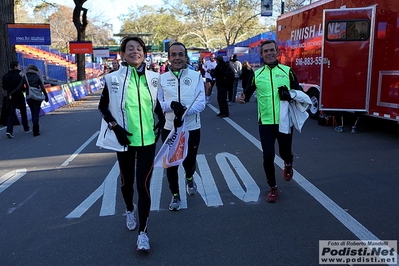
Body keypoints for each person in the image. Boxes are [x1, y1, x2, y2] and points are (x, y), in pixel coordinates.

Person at [98, 36, 165, 251]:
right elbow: (103, 107)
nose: (135, 51)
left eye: (139, 48)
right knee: (127, 183)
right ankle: (129, 208)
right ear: (123, 54)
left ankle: (143, 234)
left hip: (148, 141)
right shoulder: (112, 79)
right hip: (125, 139)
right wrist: (115, 127)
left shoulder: (154, 78)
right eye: (130, 49)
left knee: (143, 185)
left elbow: (155, 103)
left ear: (144, 53)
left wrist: (161, 117)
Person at [236, 40, 301, 203]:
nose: (269, 53)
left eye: (272, 50)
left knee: (285, 152)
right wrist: (241, 99)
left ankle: (288, 162)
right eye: (266, 51)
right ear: (262, 54)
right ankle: (272, 187)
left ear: (277, 52)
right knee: (268, 155)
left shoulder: (288, 72)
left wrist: (290, 95)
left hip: (285, 121)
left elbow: (300, 94)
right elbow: (246, 95)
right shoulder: (256, 75)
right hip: (265, 122)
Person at [157, 42, 206, 211]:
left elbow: (201, 102)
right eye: (173, 54)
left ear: (185, 57)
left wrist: (185, 111)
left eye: (180, 54)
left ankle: (190, 176)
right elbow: (158, 104)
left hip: (192, 127)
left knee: (189, 160)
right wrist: (171, 105)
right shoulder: (161, 79)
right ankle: (175, 195)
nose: (177, 58)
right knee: (171, 163)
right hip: (170, 128)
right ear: (169, 57)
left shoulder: (196, 76)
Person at [11, 64, 49, 137]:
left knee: (32, 111)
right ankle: (36, 129)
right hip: (37, 96)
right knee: (36, 113)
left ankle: (34, 126)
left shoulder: (25, 77)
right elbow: (42, 87)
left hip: (29, 96)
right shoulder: (37, 76)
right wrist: (46, 96)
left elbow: (19, 87)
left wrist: (12, 93)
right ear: (35, 70)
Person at [2, 61, 30, 138]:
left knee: (11, 114)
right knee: (23, 112)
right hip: (18, 96)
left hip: (10, 96)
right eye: (18, 66)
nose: (19, 67)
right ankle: (26, 128)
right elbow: (23, 86)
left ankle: (9, 131)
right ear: (15, 66)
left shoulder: (5, 76)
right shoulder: (19, 75)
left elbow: (4, 87)